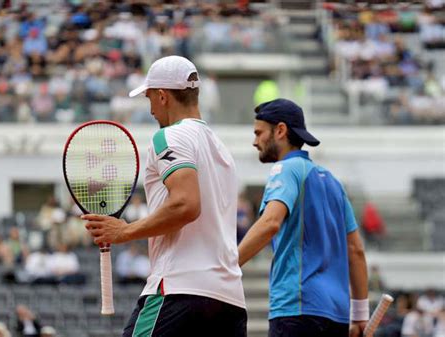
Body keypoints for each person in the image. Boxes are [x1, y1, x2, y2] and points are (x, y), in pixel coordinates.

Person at [83, 55, 246, 337]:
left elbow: (186, 204)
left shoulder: (168, 137)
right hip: (229, 301)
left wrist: (124, 232)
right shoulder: (221, 150)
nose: (150, 110)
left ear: (162, 96)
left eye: (149, 99)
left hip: (180, 290)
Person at [238, 98, 370, 337]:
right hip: (337, 316)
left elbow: (270, 223)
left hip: (296, 310)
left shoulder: (286, 169)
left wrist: (227, 266)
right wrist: (360, 314)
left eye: (259, 133)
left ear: (280, 130)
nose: (255, 141)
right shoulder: (333, 182)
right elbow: (356, 250)